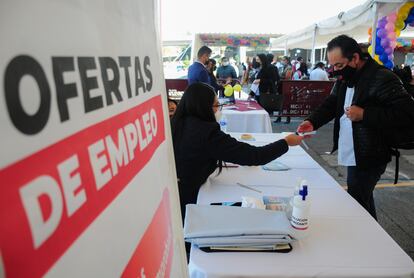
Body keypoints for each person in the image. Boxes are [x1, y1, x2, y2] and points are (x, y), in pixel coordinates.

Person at [297, 35, 414, 219]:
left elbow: (408, 113)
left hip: (371, 153)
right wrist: (312, 121)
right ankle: (375, 240)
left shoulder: (382, 77)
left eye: (339, 65)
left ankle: (366, 243)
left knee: (357, 203)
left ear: (355, 58)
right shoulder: (345, 77)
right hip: (354, 150)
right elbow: (332, 103)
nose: (335, 71)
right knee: (362, 201)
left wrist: (365, 114)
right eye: (333, 65)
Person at [171, 82, 304, 220]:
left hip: (175, 191)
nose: (218, 110)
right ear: (203, 107)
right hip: (189, 200)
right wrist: (286, 142)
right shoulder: (207, 132)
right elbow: (255, 156)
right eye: (216, 105)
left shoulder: (177, 123)